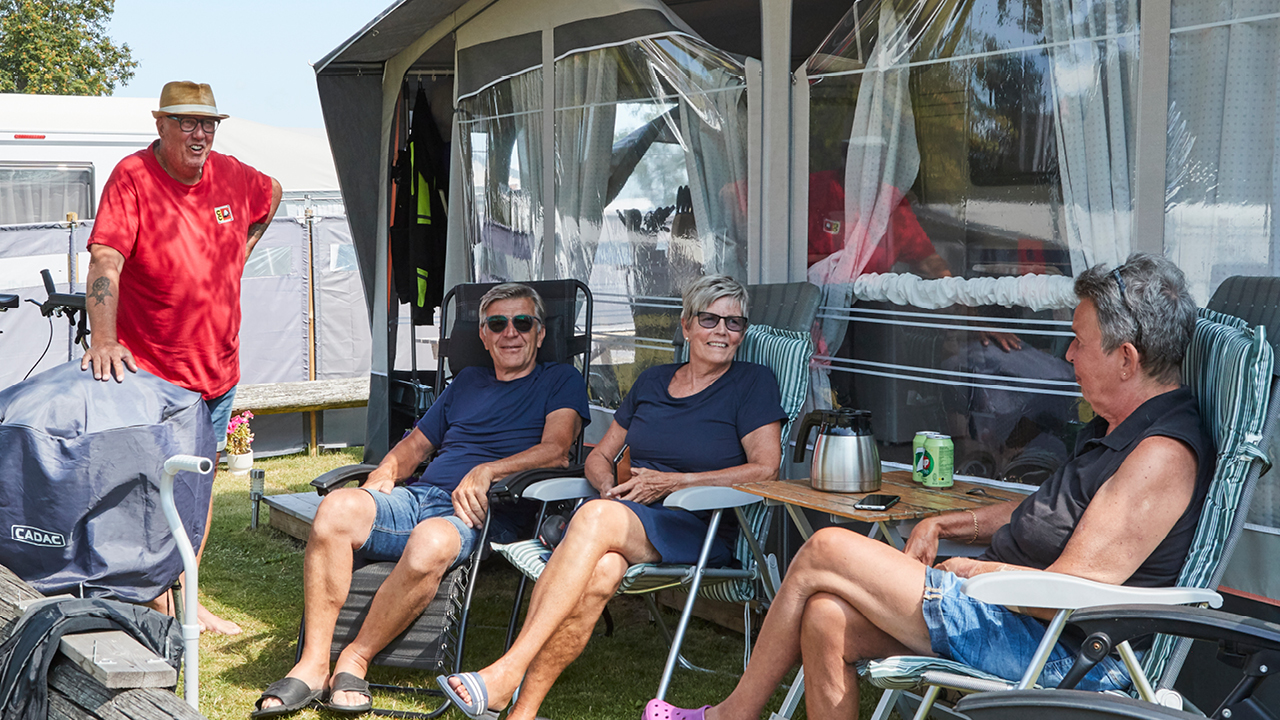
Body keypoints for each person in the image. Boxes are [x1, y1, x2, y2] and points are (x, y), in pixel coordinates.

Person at [645, 253, 1214, 720]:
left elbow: (1072, 591)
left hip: (1063, 650)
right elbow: (1048, 511)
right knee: (825, 616)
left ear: (1126, 358)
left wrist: (975, 572)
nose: (1067, 354)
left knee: (827, 548)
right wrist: (950, 523)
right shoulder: (1113, 430)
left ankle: (731, 715)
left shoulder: (1160, 456)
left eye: (1079, 343)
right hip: (1009, 617)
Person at [438, 275, 787, 720]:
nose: (722, 331)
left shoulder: (752, 382)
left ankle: (507, 671)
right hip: (627, 517)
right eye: (710, 319)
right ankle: (522, 711)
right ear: (686, 326)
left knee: (597, 520)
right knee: (602, 572)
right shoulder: (653, 382)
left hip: (699, 523)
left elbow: (765, 468)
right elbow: (599, 455)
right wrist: (605, 487)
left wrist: (674, 483)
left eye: (734, 323)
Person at [254, 283, 591, 718]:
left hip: (487, 511)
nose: (511, 332)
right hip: (421, 496)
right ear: (484, 336)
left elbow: (557, 449)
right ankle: (313, 664)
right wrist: (382, 476)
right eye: (497, 323)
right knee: (336, 510)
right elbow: (414, 448)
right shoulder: (467, 382)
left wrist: (488, 471)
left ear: (540, 334)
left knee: (431, 541)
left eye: (523, 322)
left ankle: (355, 658)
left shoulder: (560, 380)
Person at [80, 80, 282, 636]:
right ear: (160, 122)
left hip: (218, 371)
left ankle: (187, 598)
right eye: (187, 122)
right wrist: (102, 340)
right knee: (147, 492)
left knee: (198, 492)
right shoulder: (134, 176)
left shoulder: (234, 174)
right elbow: (104, 258)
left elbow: (275, 192)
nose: (200, 134)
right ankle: (149, 600)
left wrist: (240, 251)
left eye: (208, 123)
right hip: (152, 377)